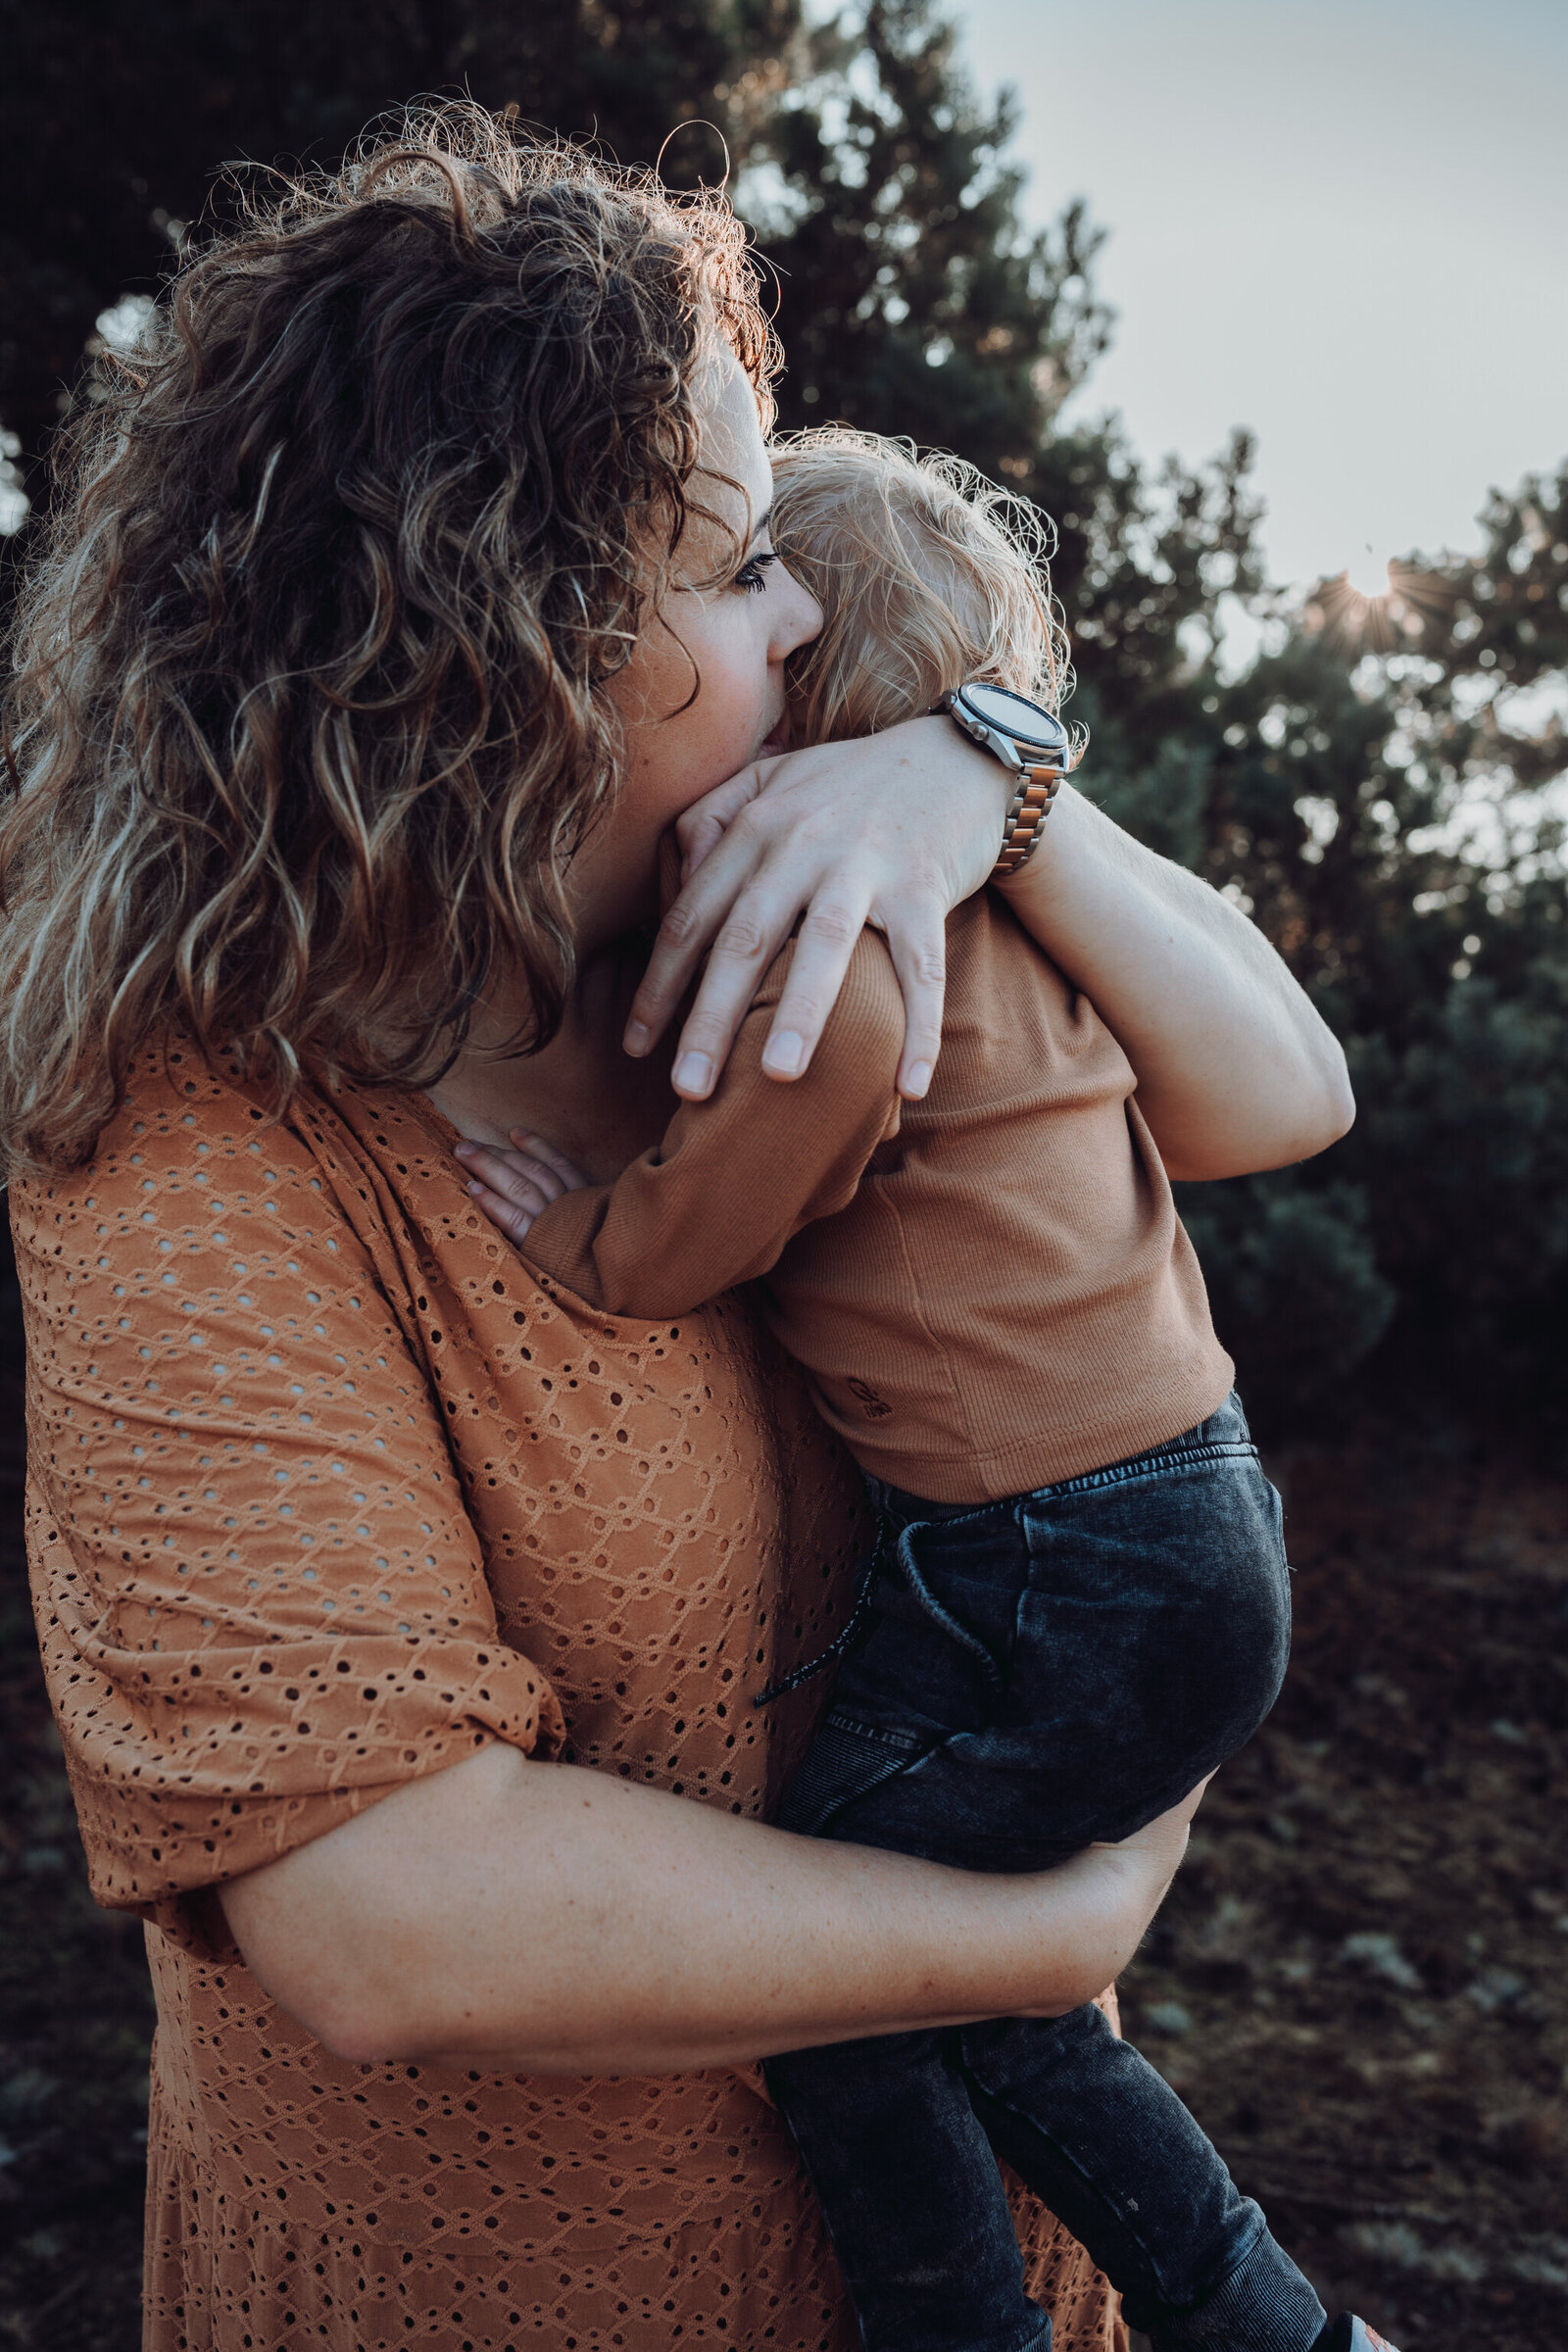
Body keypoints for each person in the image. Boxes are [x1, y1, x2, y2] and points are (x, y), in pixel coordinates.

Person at [0, 108, 1354, 2352]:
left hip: (991, 2275)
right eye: (734, 563)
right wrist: (1041, 1936)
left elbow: (1284, 1092)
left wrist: (997, 775)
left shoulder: (824, 929)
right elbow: (392, 1920)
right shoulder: (186, 1135)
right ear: (500, 643)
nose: (805, 609)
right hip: (521, 2291)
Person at [460, 430, 1396, 2352]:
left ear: (786, 689)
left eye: (737, 597)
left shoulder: (847, 935)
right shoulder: (1019, 938)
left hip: (1044, 1559)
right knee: (974, 1989)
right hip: (1185, 1514)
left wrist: (581, 1242)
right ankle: (1269, 2330)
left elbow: (738, 1183)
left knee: (840, 1988)